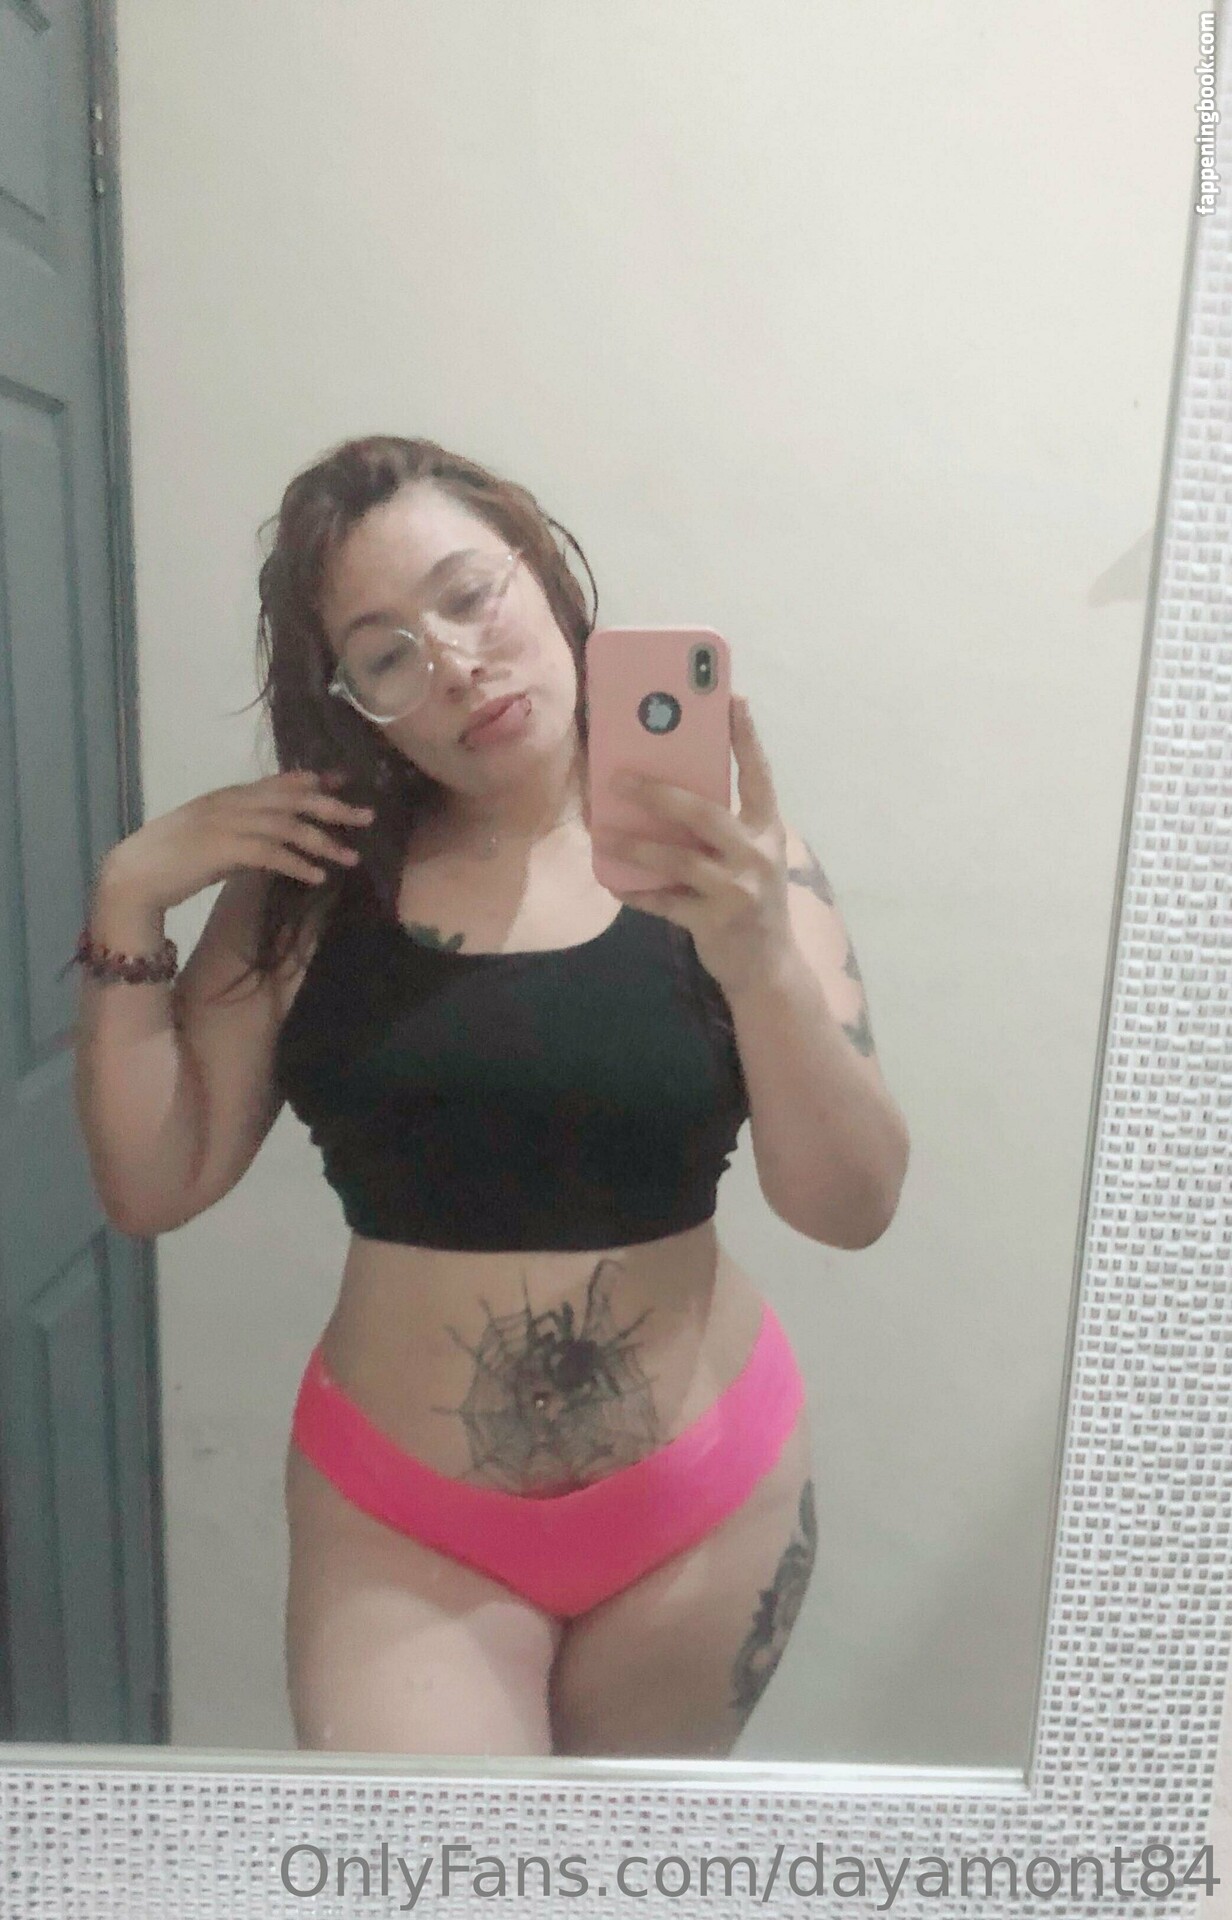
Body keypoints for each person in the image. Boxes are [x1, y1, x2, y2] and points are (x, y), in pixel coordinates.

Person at [70, 436, 909, 1758]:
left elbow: (851, 1207)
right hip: (401, 1526)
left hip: (703, 1501)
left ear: (546, 576)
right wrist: (127, 898)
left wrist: (760, 962)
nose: (457, 662)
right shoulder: (306, 885)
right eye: (387, 653)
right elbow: (152, 1183)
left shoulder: (733, 865)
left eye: (470, 595)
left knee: (624, 1869)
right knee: (433, 1865)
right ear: (355, 701)